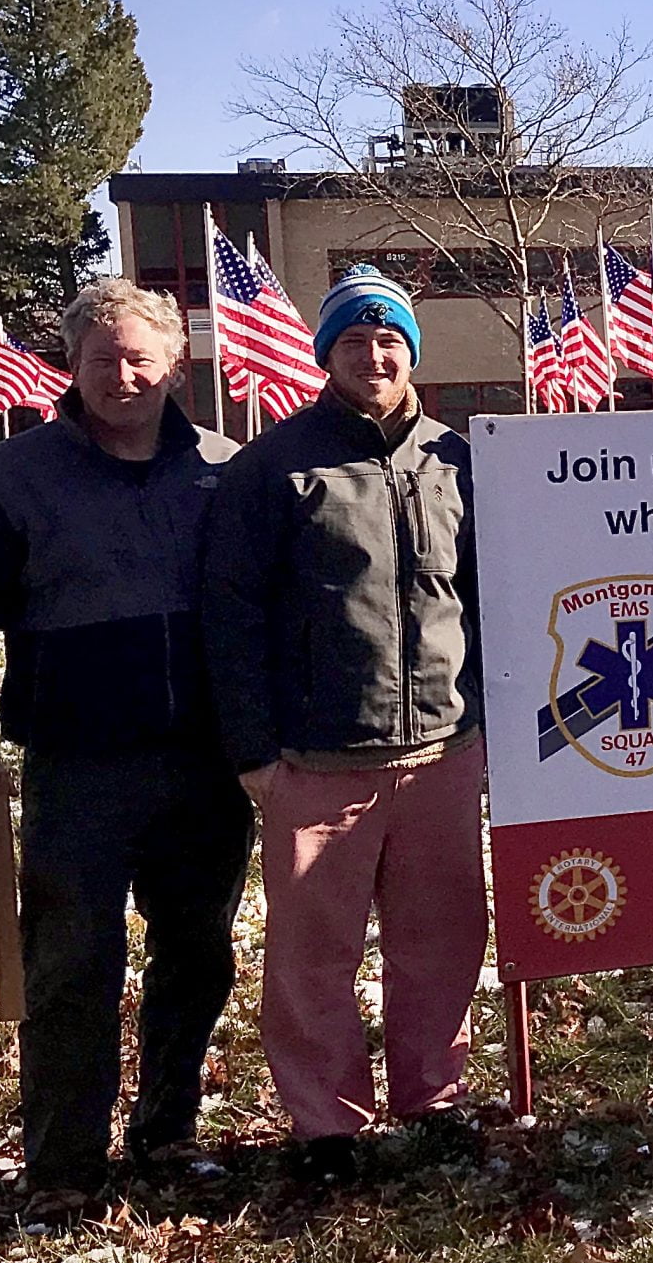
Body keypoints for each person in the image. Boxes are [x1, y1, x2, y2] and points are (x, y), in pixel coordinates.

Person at [0, 280, 250, 1210]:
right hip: (80, 768)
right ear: (74, 365)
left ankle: (167, 1130)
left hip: (207, 765)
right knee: (70, 964)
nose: (123, 375)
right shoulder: (10, 479)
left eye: (142, 357)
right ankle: (64, 1168)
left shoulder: (225, 470)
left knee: (199, 954)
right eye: (103, 358)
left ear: (175, 364)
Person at [201, 265, 486, 1186]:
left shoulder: (459, 460)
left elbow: (492, 598)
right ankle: (327, 1123)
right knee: (312, 956)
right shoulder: (272, 467)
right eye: (355, 341)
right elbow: (230, 616)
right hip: (318, 758)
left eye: (390, 339)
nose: (375, 356)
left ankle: (433, 1098)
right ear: (327, 355)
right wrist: (254, 753)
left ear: (412, 352)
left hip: (443, 747)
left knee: (442, 942)